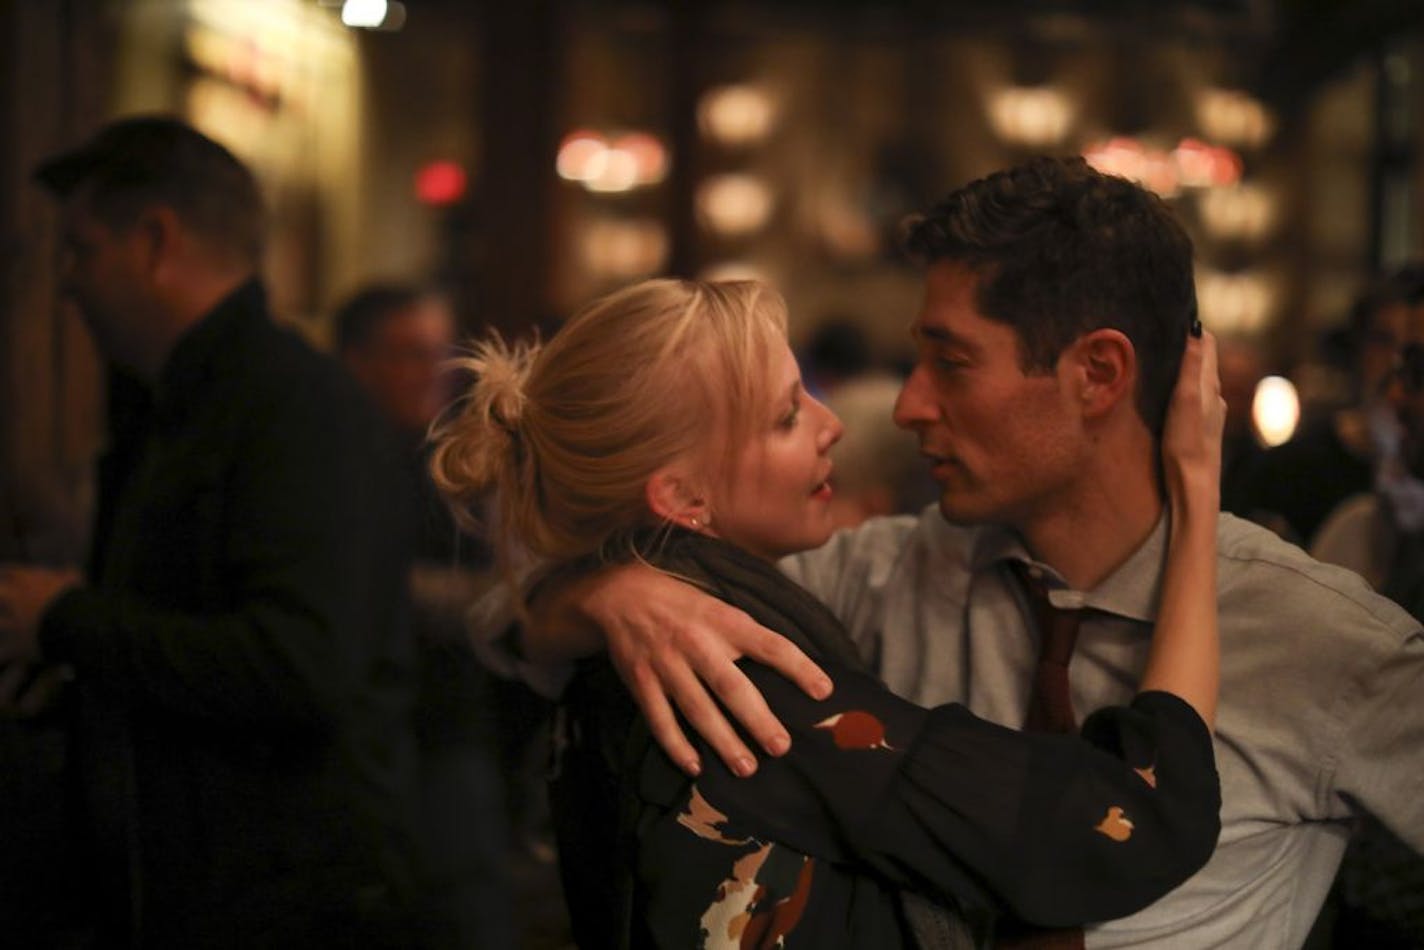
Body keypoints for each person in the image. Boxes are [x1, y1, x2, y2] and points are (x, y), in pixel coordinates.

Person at [509, 158, 1424, 948]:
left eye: (951, 363)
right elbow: (517, 634)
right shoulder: (866, 580)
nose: (904, 408)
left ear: (1098, 375)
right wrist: (606, 592)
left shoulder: (1320, 637)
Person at [435, 276, 1225, 948]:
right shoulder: (747, 691)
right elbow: (1133, 822)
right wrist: (1196, 508)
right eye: (786, 415)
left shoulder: (618, 636)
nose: (832, 423)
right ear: (681, 497)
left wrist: (592, 590)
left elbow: (517, 622)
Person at [0, 116, 422, 948]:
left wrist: (64, 621)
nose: (68, 284)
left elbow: (301, 663)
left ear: (157, 241)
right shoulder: (177, 400)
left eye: (82, 249)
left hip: (274, 901)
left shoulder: (294, 407)